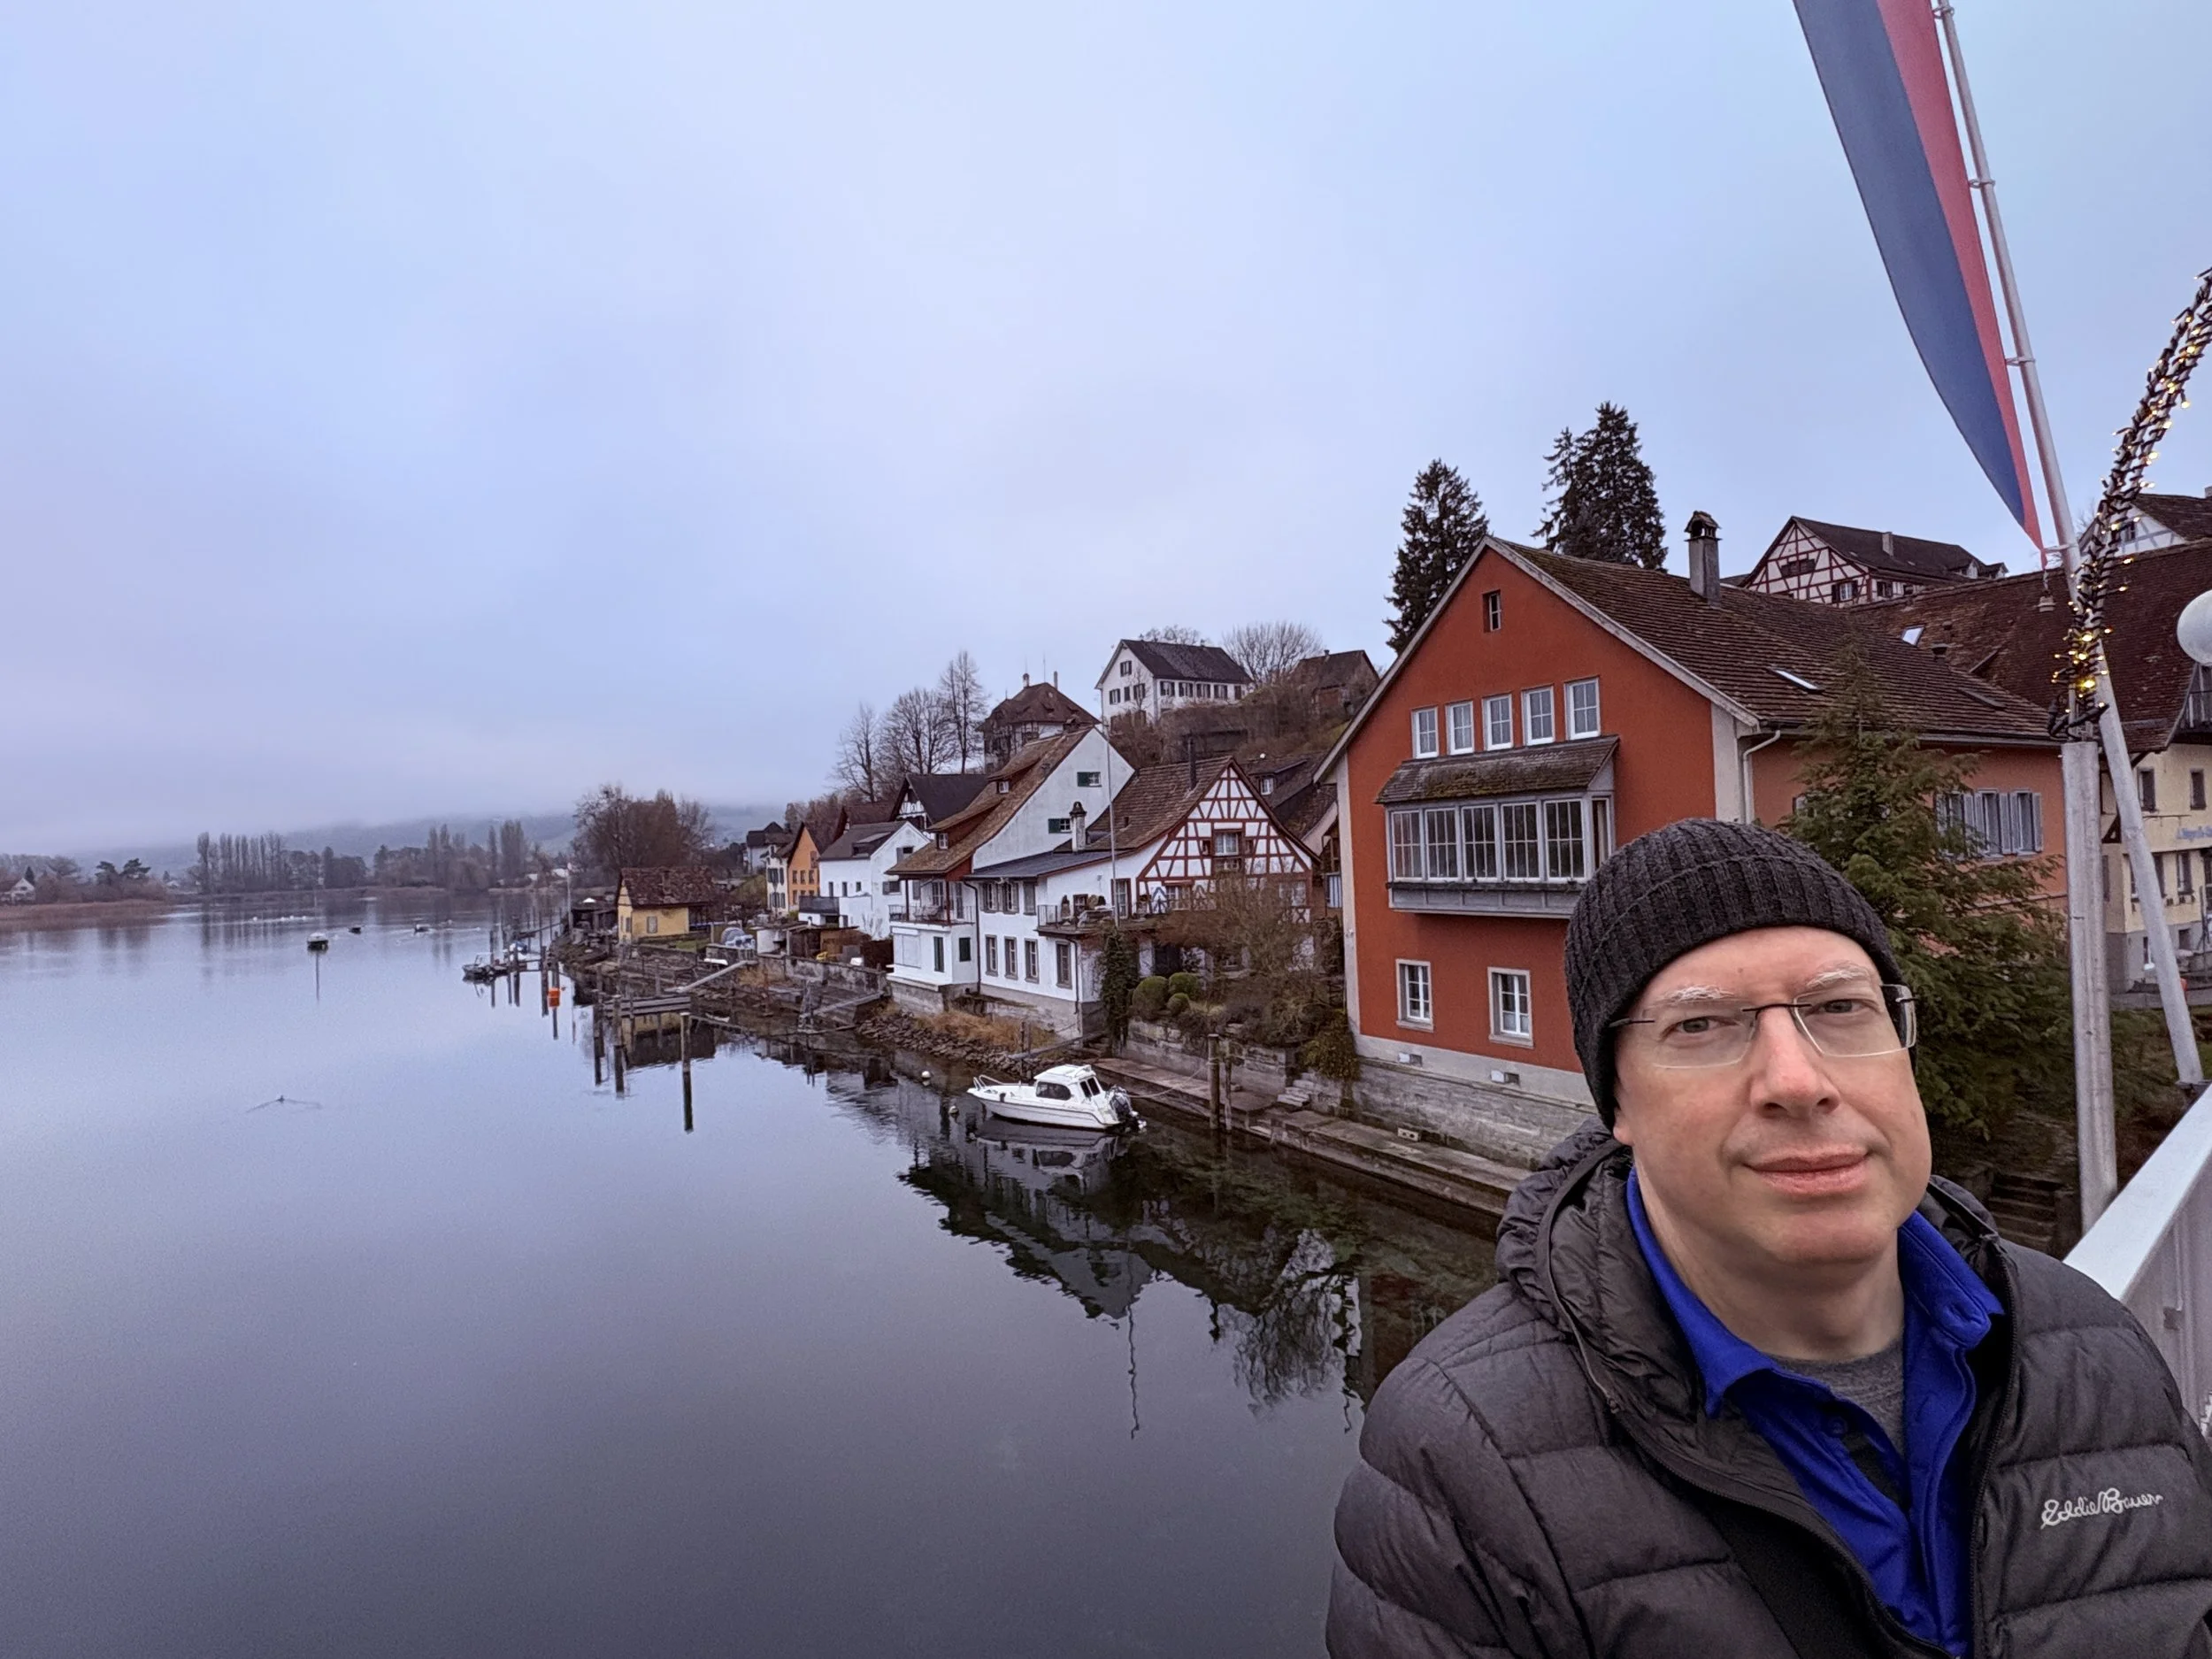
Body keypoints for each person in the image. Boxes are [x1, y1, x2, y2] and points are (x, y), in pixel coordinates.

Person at [1328, 818, 2212, 1658]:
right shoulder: (1458, 1462)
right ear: (1618, 1103)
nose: (1797, 1080)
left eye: (1838, 1007)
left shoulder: (2091, 1346)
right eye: (1700, 1025)